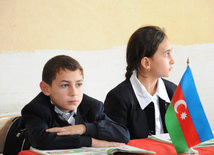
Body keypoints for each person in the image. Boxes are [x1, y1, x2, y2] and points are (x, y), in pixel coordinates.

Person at [21, 55, 129, 150]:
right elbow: (42, 140)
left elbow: (123, 135)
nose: (74, 93)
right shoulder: (35, 109)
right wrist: (91, 142)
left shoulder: (93, 106)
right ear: (46, 88)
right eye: (65, 85)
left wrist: (83, 128)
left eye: (78, 84)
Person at [104, 26, 177, 139]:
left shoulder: (174, 92)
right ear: (146, 63)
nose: (173, 60)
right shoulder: (118, 98)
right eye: (167, 54)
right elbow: (115, 145)